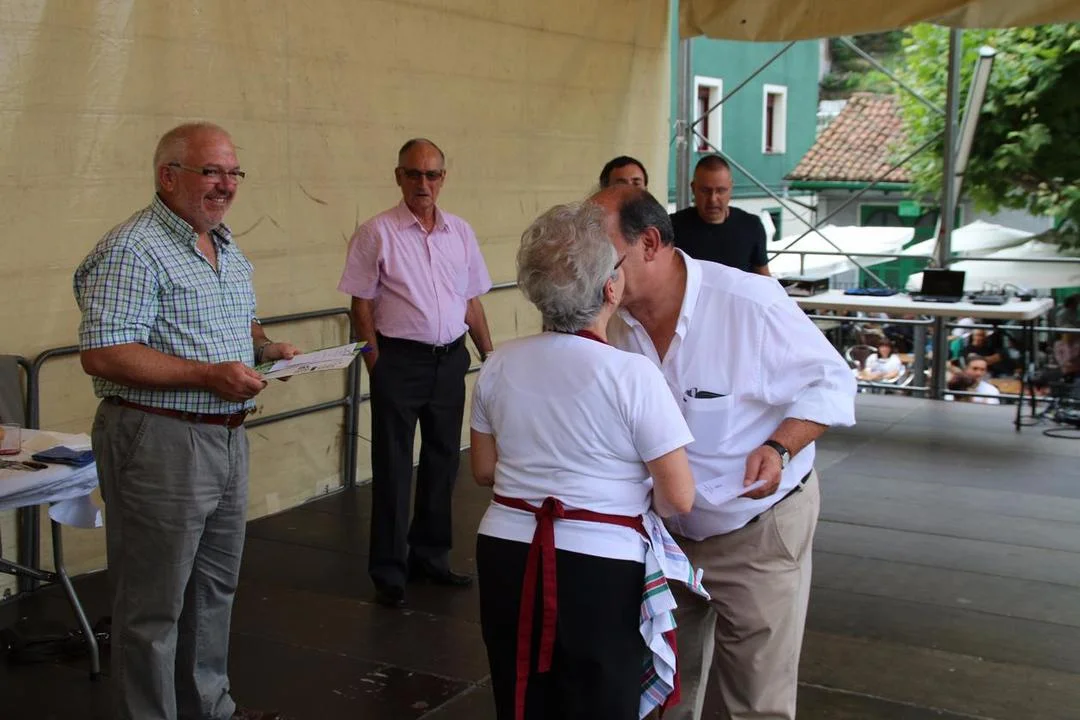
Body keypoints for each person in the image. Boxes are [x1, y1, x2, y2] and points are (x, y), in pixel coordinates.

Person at [591, 187, 857, 720]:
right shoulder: (608, 318)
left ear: (649, 243)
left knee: (754, 698)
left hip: (756, 526)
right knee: (661, 685)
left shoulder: (748, 304)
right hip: (664, 534)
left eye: (601, 256)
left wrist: (779, 446)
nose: (592, 274)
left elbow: (832, 382)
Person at [73, 122, 296, 720]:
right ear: (168, 176)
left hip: (225, 435)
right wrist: (206, 375)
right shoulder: (132, 248)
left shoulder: (223, 243)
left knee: (213, 589)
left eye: (233, 172)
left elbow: (239, 324)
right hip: (160, 437)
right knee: (153, 604)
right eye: (211, 171)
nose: (226, 184)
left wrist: (265, 349)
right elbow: (105, 352)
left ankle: (209, 708)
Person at [470, 201, 702, 719]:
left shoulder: (498, 363)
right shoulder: (632, 375)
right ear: (609, 288)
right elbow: (679, 497)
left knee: (521, 694)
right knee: (600, 701)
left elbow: (484, 470)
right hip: (600, 562)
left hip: (506, 548)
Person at [338, 138, 495, 609]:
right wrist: (376, 365)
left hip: (449, 360)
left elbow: (471, 301)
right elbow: (360, 306)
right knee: (392, 465)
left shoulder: (460, 232)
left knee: (443, 461)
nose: (422, 183)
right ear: (398, 177)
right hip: (399, 362)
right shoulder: (376, 233)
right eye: (413, 174)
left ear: (443, 178)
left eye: (431, 174)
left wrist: (490, 356)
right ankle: (389, 570)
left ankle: (431, 557)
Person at [669, 155, 770, 275]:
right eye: (705, 191)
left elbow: (764, 278)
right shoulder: (672, 227)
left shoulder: (752, 226)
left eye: (721, 191)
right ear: (693, 189)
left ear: (731, 188)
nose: (713, 199)